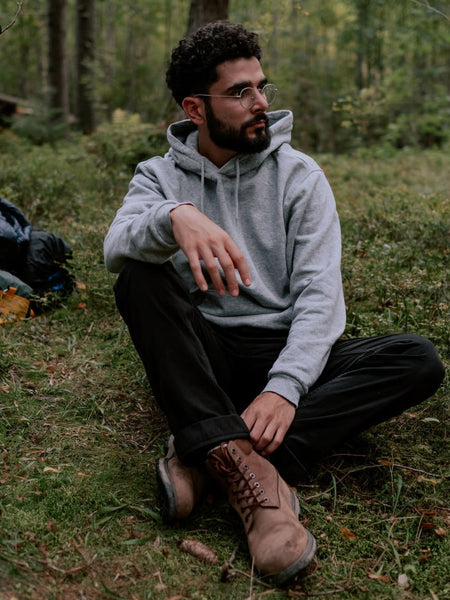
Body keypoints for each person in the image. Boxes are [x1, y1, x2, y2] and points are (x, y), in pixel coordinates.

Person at [104, 21, 444, 586]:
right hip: (207, 351)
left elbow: (320, 299)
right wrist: (174, 215)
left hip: (283, 349)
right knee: (139, 278)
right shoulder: (159, 176)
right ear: (195, 107)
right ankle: (248, 475)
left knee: (415, 359)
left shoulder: (300, 177)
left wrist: (285, 388)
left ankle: (214, 453)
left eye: (261, 86)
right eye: (240, 92)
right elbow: (116, 247)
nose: (260, 102)